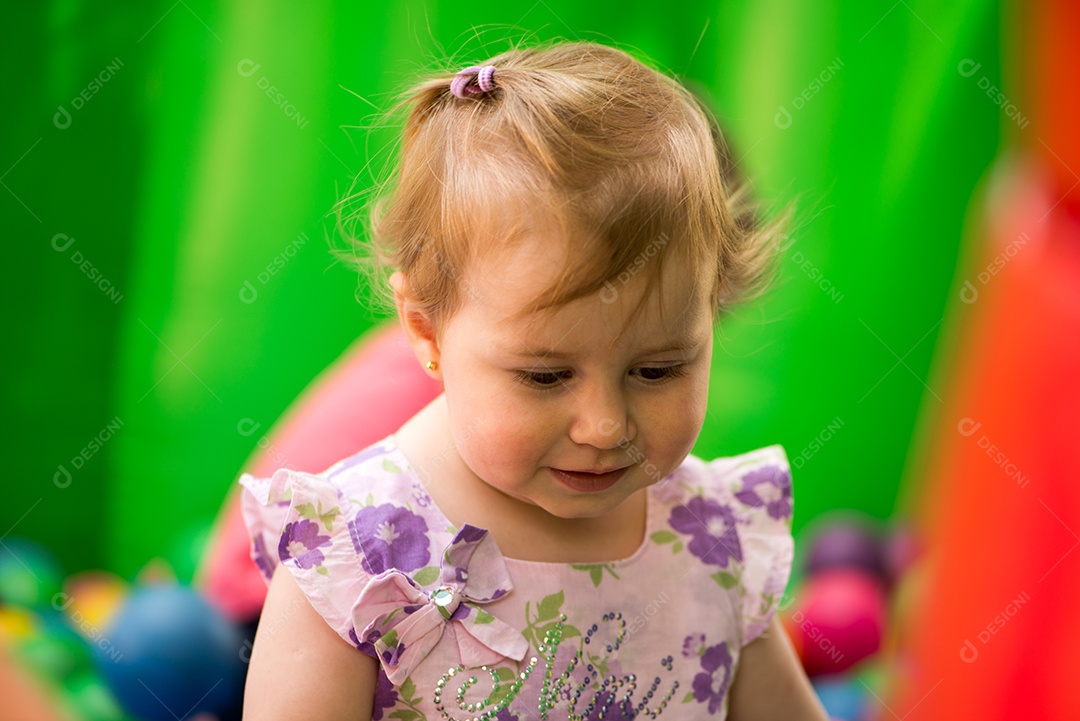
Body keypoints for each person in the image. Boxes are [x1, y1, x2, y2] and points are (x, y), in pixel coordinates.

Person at [240, 39, 827, 720]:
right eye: (546, 375)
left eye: (658, 368)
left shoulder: (709, 538)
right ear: (426, 331)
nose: (605, 425)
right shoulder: (358, 554)